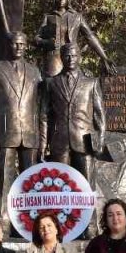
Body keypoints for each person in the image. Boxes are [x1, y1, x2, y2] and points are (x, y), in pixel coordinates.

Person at [0, 31, 47, 229]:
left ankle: (30, 219)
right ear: (7, 45)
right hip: (5, 130)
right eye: (14, 44)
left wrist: (43, 137)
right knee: (5, 177)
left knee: (31, 178)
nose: (18, 47)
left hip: (30, 131)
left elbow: (41, 105)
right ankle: (4, 218)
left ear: (26, 46)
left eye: (22, 44)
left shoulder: (35, 71)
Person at [45, 43, 104, 181]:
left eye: (74, 55)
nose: (71, 59)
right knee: (60, 186)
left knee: (87, 185)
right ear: (61, 58)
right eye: (67, 56)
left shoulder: (92, 83)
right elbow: (44, 116)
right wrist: (44, 144)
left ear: (79, 58)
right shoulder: (51, 83)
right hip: (59, 141)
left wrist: (100, 141)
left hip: (85, 141)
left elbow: (99, 115)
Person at [34, 0, 112, 78]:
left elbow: (90, 37)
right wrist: (47, 42)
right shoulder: (48, 17)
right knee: (53, 86)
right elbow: (36, 38)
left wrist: (104, 57)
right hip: (54, 59)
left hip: (72, 57)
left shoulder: (77, 17)